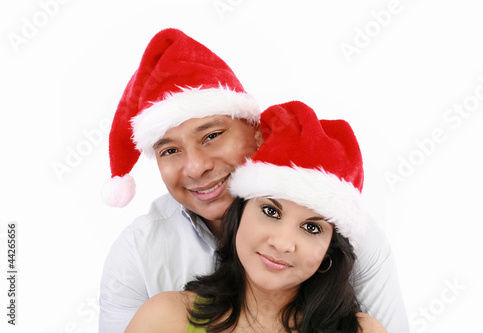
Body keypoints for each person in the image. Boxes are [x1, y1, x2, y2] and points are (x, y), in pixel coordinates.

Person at [99, 28, 408, 332]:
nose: (195, 168)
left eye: (213, 135)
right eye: (169, 150)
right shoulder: (138, 255)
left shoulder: (354, 235)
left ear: (256, 131)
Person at [125, 100, 388, 332]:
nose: (283, 243)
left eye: (312, 228)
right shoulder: (165, 319)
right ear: (237, 216)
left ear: (328, 253)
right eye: (270, 211)